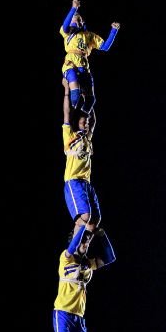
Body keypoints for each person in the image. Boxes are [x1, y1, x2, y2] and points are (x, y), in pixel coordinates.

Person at [42, 227, 116, 332]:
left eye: (88, 242)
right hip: (63, 310)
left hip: (79, 316)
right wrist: (82, 227)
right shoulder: (66, 258)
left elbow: (110, 258)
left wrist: (102, 235)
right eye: (84, 241)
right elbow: (72, 247)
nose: (86, 244)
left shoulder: (88, 264)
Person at [63, 78, 101, 256]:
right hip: (74, 182)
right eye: (83, 122)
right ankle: (73, 250)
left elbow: (93, 119)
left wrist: (89, 97)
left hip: (86, 184)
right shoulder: (70, 137)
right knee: (85, 218)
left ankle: (83, 243)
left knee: (95, 221)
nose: (86, 124)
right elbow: (67, 112)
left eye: (86, 123)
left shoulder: (88, 140)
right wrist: (66, 91)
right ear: (78, 122)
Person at [61, 0, 121, 114]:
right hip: (71, 63)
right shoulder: (68, 32)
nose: (76, 18)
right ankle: (72, 112)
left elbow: (104, 47)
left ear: (82, 21)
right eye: (73, 18)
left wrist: (113, 31)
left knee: (91, 99)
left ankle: (82, 118)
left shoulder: (89, 36)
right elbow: (65, 26)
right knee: (75, 89)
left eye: (78, 17)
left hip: (84, 67)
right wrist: (73, 8)